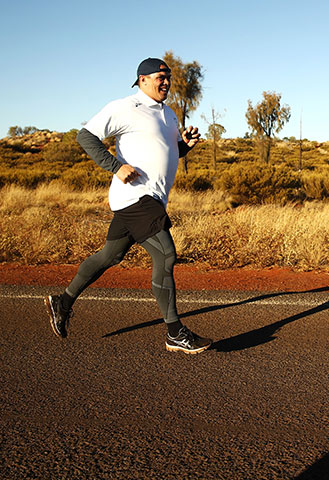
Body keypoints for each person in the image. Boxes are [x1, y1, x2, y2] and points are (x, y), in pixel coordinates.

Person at [44, 57, 212, 354]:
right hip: (135, 197)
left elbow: (166, 152)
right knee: (166, 255)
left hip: (153, 199)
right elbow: (86, 136)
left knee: (110, 256)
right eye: (160, 76)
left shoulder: (169, 114)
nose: (166, 81)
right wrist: (115, 166)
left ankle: (63, 301)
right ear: (142, 79)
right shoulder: (125, 107)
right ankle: (174, 332)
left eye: (168, 77)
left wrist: (184, 145)